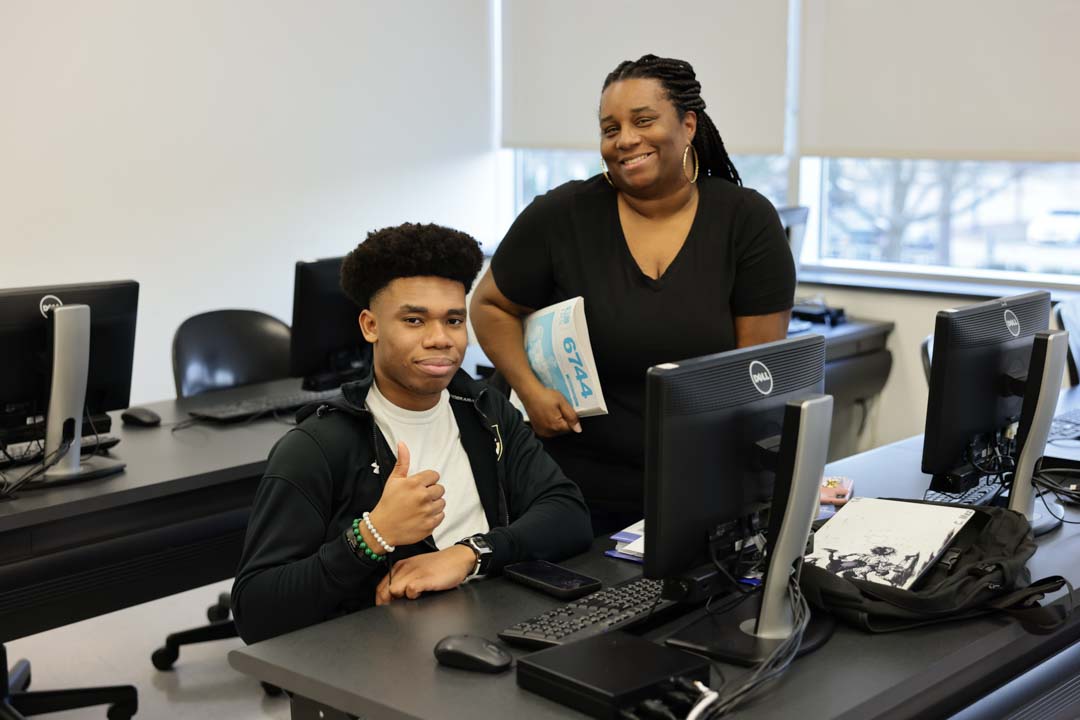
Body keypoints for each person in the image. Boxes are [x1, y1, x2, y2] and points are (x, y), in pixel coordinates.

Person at [471, 54, 798, 535]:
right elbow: (490, 305)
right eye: (610, 128)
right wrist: (530, 389)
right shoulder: (563, 215)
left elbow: (757, 376)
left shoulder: (745, 220)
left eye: (643, 121)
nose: (625, 139)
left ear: (688, 125)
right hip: (571, 486)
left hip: (697, 485)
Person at [231, 222, 592, 644]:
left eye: (454, 320)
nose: (440, 339)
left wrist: (469, 554)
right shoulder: (317, 446)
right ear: (370, 326)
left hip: (492, 628)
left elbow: (569, 515)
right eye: (415, 320)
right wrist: (371, 537)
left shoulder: (482, 409)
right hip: (385, 660)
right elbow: (255, 611)